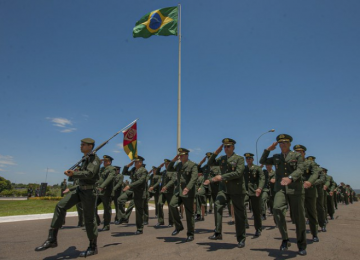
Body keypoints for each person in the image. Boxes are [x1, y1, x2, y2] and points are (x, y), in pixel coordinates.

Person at [35, 138, 101, 257]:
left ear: (90, 146)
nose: (80, 146)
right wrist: (73, 173)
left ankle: (93, 246)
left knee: (89, 219)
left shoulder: (94, 159)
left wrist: (74, 173)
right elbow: (81, 175)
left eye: (83, 145)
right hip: (80, 189)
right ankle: (52, 239)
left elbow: (90, 174)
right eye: (81, 144)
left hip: (89, 191)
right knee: (60, 206)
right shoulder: (85, 159)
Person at [259, 134, 307, 256]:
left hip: (295, 189)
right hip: (280, 189)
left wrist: (291, 178)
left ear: (290, 144)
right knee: (277, 209)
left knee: (299, 218)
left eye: (285, 142)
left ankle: (301, 245)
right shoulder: (276, 156)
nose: (282, 144)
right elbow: (262, 161)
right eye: (280, 143)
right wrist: (267, 150)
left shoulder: (296, 155)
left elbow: (301, 169)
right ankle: (285, 239)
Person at [206, 138, 247, 248]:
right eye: (224, 146)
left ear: (233, 147)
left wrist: (222, 176)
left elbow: (238, 173)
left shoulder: (239, 159)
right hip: (224, 189)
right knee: (217, 205)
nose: (226, 148)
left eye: (228, 146)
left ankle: (241, 238)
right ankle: (218, 232)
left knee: (239, 214)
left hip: (237, 190)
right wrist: (216, 152)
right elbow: (209, 163)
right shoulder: (221, 158)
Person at [161, 148, 198, 242]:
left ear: (187, 155)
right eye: (179, 155)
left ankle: (190, 234)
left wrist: (188, 188)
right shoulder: (178, 165)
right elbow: (169, 168)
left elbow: (194, 178)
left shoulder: (192, 165)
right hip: (178, 191)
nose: (180, 157)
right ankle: (179, 226)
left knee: (189, 214)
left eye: (182, 155)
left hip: (188, 192)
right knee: (172, 204)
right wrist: (174, 159)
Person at [293, 146, 319, 242]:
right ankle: (301, 236)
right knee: (299, 215)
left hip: (309, 191)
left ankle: (314, 233)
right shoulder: (293, 164)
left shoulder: (310, 163)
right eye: (296, 152)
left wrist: (310, 182)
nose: (298, 154)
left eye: (300, 152)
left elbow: (315, 174)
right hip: (297, 191)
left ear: (304, 153)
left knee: (312, 212)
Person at [116, 156, 147, 234]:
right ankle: (124, 217)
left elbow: (141, 181)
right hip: (131, 191)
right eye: (134, 162)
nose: (135, 163)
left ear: (140, 162)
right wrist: (127, 166)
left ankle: (140, 229)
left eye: (136, 162)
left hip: (139, 192)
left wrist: (130, 185)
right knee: (120, 200)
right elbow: (124, 173)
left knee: (139, 211)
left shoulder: (144, 171)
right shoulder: (133, 170)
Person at [243, 153, 265, 237]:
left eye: (250, 158)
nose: (248, 160)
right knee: (242, 206)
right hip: (245, 191)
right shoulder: (244, 168)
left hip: (254, 191)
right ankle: (245, 223)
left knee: (256, 211)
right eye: (247, 158)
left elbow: (262, 178)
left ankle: (258, 229)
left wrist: (260, 188)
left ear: (252, 159)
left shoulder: (257, 168)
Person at [96, 155, 116, 231]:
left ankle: (106, 225)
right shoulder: (102, 169)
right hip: (99, 191)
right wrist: (98, 164)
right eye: (103, 161)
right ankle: (97, 220)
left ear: (109, 162)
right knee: (93, 205)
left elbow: (109, 178)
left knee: (107, 209)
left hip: (106, 191)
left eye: (105, 161)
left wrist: (102, 186)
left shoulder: (112, 169)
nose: (104, 162)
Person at [156, 159, 175, 227]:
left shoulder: (173, 171)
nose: (166, 165)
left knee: (170, 206)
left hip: (170, 191)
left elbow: (173, 180)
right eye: (165, 164)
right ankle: (161, 221)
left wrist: (166, 186)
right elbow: (157, 173)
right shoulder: (164, 171)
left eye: (167, 163)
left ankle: (171, 222)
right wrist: (159, 167)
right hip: (163, 191)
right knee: (159, 203)